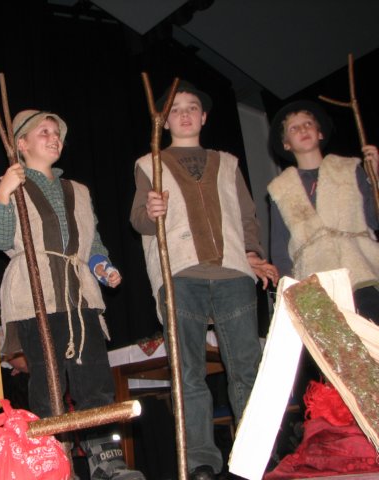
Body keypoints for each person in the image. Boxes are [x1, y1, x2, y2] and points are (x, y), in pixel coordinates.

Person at [130, 81, 278, 480]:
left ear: (204, 116)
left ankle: (255, 455)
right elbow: (139, 220)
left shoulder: (227, 162)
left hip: (233, 274)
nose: (184, 113)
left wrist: (252, 254)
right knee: (188, 372)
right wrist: (151, 211)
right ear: (163, 121)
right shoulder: (149, 163)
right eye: (175, 108)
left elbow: (246, 215)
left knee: (246, 366)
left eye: (192, 107)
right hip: (180, 275)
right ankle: (200, 461)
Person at [0, 110, 144, 480]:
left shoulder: (79, 191)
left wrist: (103, 268)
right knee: (48, 384)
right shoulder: (8, 183)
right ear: (21, 144)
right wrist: (4, 193)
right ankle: (53, 465)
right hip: (35, 296)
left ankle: (106, 459)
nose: (54, 137)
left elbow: (93, 242)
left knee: (95, 380)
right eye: (43, 132)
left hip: (80, 296)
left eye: (56, 133)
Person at [267, 100, 379, 323]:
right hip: (316, 279)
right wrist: (293, 291)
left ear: (319, 133)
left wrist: (375, 179)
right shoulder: (280, 189)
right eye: (294, 128)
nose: (303, 129)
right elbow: (280, 248)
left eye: (308, 124)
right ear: (286, 144)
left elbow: (374, 219)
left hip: (359, 267)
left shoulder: (349, 170)